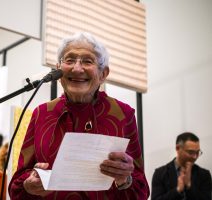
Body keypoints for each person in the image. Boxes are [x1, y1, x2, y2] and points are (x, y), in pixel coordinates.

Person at [9, 32, 150, 199]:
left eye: (87, 61)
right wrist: (28, 184)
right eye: (69, 60)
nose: (77, 68)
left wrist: (124, 178)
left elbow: (141, 191)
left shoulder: (123, 114)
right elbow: (16, 187)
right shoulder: (41, 113)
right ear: (59, 70)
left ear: (103, 74)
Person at [151, 132, 212, 200]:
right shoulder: (160, 173)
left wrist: (189, 186)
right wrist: (177, 190)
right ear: (177, 148)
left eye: (197, 152)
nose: (195, 157)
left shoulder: (204, 174)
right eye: (191, 152)